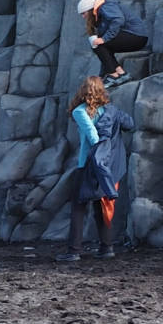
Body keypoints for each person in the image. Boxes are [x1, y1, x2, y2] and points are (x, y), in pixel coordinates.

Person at [58, 77, 133, 262]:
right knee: (102, 204)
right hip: (109, 167)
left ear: (82, 91)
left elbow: (92, 133)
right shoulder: (111, 110)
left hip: (88, 164)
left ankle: (74, 251)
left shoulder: (79, 111)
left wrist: (99, 152)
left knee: (78, 206)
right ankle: (107, 248)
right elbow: (130, 124)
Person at [78, 0, 148, 81]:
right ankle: (120, 73)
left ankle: (114, 75)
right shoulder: (100, 15)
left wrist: (104, 39)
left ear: (90, 10)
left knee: (99, 44)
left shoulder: (105, 6)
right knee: (100, 45)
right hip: (136, 37)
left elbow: (118, 19)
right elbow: (105, 54)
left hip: (136, 36)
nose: (83, 17)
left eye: (83, 13)